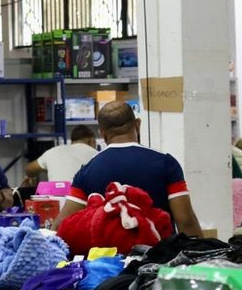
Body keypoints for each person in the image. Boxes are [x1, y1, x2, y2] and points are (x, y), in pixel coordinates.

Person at [59, 101, 204, 235]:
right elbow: (185, 220)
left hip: (110, 259)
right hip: (159, 258)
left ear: (102, 134)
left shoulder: (87, 170)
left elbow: (62, 225)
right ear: (138, 124)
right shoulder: (165, 162)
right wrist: (204, 255)